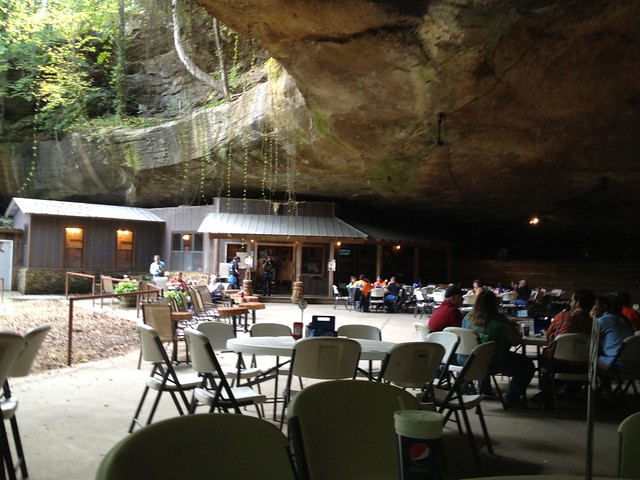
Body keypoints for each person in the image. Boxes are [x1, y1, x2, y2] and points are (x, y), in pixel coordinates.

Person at [462, 290, 535, 408]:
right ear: (494, 304)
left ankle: (485, 390)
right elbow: (515, 341)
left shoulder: (467, 318)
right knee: (527, 366)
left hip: (471, 360)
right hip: (495, 361)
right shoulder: (500, 320)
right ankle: (511, 398)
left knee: (482, 352)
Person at [532, 289, 596, 407]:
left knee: (544, 356)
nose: (571, 303)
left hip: (558, 364)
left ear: (578, 303)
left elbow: (549, 336)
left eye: (572, 301)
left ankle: (548, 394)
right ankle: (571, 389)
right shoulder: (595, 323)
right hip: (584, 366)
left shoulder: (565, 316)